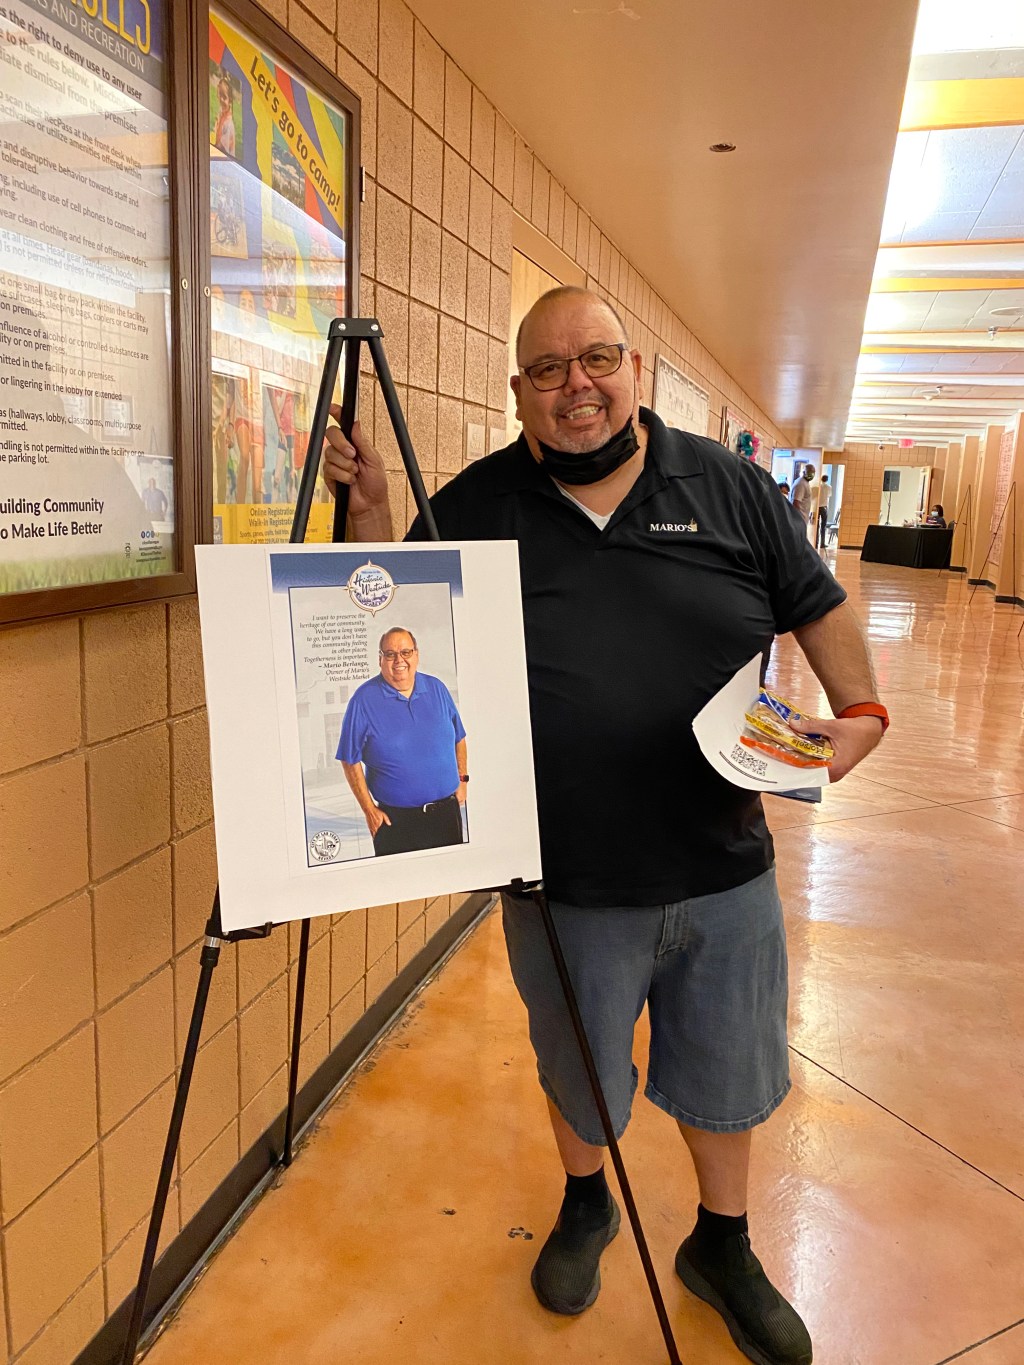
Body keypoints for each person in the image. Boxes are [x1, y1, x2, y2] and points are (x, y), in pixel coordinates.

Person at [321, 287, 888, 1365]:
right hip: (562, 873)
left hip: (720, 859)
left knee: (726, 1071)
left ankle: (721, 1245)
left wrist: (858, 714)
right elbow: (390, 610)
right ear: (521, 392)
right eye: (546, 369)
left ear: (638, 374)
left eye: (595, 359)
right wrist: (373, 506)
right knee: (575, 1067)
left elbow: (814, 603)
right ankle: (587, 1202)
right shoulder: (483, 500)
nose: (574, 384)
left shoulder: (726, 487)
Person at [337, 628, 468, 857]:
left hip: (447, 814)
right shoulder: (363, 700)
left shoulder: (437, 688)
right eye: (390, 654)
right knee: (401, 888)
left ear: (416, 655)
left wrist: (463, 779)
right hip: (395, 822)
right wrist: (369, 809)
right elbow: (350, 760)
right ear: (380, 659)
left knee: (450, 880)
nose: (399, 660)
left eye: (406, 652)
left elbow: (459, 737)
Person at [816, 472, 832, 549]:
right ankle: (822, 543)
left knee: (816, 525)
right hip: (824, 507)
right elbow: (829, 495)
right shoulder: (829, 487)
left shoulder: (818, 486)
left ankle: (815, 542)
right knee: (823, 526)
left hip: (817, 507)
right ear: (827, 480)